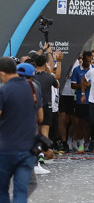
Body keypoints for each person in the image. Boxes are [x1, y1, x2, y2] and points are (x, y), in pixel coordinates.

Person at [0, 58, 43, 202]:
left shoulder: (3, 90)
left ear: (2, 73)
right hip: (27, 149)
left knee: (2, 191)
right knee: (21, 192)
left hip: (5, 148)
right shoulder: (33, 88)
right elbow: (40, 118)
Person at [71, 51, 94, 153]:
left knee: (90, 123)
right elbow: (73, 85)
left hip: (93, 100)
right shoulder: (77, 70)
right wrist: (83, 86)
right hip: (81, 100)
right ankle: (80, 143)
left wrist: (91, 85)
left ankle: (88, 143)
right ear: (83, 59)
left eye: (90, 61)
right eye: (86, 61)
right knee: (80, 123)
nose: (88, 63)